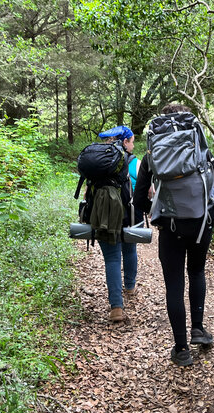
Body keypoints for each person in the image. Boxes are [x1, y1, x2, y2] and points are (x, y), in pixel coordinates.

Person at [133, 104, 214, 366]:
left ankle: (181, 349)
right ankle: (198, 329)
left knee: (174, 285)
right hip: (201, 223)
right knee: (196, 272)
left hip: (170, 227)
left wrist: (156, 206)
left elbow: (139, 198)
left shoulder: (154, 152)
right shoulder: (200, 148)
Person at [95, 125, 139, 322]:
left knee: (112, 259)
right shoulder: (135, 163)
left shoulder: (98, 161)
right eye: (132, 142)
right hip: (129, 215)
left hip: (104, 216)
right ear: (125, 142)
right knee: (129, 250)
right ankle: (129, 287)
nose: (133, 146)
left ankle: (116, 308)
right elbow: (148, 191)